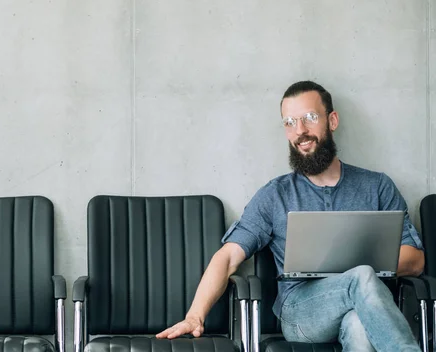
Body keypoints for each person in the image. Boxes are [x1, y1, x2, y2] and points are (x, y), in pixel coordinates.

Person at [156, 81, 425, 351]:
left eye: (310, 118)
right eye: (289, 122)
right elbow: (227, 258)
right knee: (362, 275)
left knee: (358, 325)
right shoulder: (275, 195)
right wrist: (195, 315)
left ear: (332, 120)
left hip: (368, 309)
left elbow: (415, 260)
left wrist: (353, 269)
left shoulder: (377, 186)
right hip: (302, 313)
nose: (300, 131)